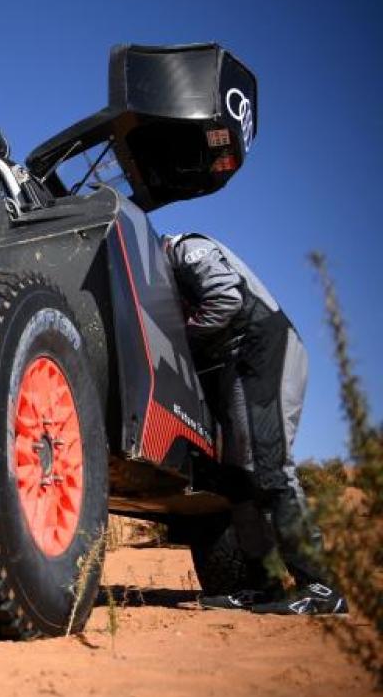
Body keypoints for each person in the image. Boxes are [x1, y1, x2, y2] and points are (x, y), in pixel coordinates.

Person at [164, 233, 346, 615]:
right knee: (239, 479)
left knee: (269, 465)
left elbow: (224, 299)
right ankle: (262, 587)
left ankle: (321, 587)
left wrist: (180, 339)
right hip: (234, 360)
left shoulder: (184, 247)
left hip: (262, 348)